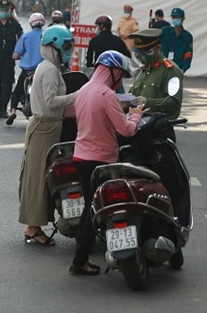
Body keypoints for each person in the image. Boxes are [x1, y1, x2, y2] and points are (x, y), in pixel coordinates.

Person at [70, 51, 145, 276]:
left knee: (89, 209)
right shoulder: (107, 95)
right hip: (101, 161)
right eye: (120, 75)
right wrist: (136, 115)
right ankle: (79, 260)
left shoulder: (83, 91)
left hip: (81, 157)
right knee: (99, 211)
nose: (120, 80)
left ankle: (80, 258)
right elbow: (126, 130)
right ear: (112, 72)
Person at [18, 25, 78, 245]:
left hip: (45, 127)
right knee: (39, 180)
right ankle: (33, 227)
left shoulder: (47, 66)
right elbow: (52, 101)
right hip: (46, 128)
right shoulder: (51, 69)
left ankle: (33, 226)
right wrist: (77, 96)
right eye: (66, 46)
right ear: (54, 46)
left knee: (39, 177)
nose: (68, 51)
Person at [129, 28, 184, 120]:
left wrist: (147, 102)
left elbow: (174, 102)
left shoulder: (170, 70)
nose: (142, 56)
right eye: (139, 53)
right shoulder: (143, 70)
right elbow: (132, 95)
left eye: (146, 52)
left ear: (158, 48)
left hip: (158, 126)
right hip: (139, 123)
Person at [7, 12, 45, 124]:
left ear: (31, 24)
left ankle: (13, 111)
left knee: (17, 91)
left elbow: (16, 54)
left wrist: (19, 56)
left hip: (27, 71)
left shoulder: (26, 36)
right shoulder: (45, 36)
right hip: (42, 70)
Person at [160, 7, 193, 73]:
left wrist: (183, 70)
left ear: (183, 18)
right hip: (162, 67)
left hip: (177, 69)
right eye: (173, 17)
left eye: (177, 17)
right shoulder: (165, 31)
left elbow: (188, 55)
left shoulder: (187, 36)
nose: (175, 19)